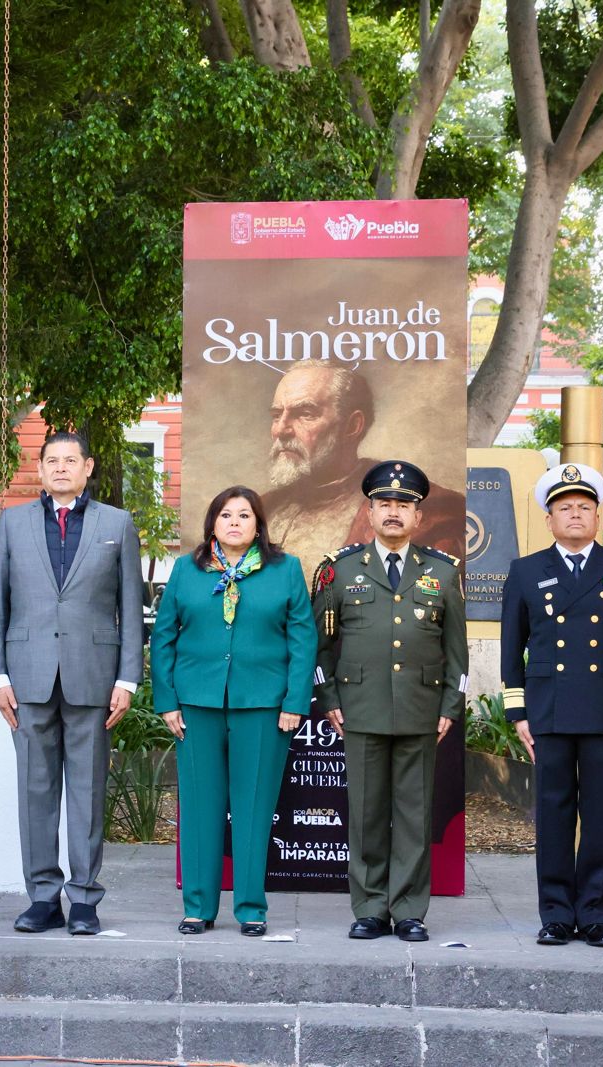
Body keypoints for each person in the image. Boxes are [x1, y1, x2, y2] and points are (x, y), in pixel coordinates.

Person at [0, 431, 143, 936]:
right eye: (51, 460)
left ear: (88, 467)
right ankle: (43, 898)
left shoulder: (116, 523)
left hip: (93, 676)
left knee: (87, 791)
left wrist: (128, 679)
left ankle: (85, 900)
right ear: (40, 467)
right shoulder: (13, 522)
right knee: (35, 791)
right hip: (27, 677)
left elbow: (130, 609)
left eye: (70, 460)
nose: (60, 468)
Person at [501, 463, 603, 948]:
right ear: (549, 518)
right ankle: (555, 915)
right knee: (551, 813)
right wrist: (517, 712)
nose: (574, 515)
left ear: (598, 517)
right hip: (547, 710)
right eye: (564, 508)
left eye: (583, 508)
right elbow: (512, 647)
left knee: (602, 813)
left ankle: (595, 915)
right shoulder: (526, 570)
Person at [312, 460, 466, 943]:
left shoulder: (441, 573)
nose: (394, 512)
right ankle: (371, 907)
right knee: (366, 813)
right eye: (385, 504)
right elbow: (318, 645)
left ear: (418, 516)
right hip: (359, 709)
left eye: (404, 505)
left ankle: (410, 910)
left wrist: (449, 707)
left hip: (422, 711)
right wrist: (329, 696)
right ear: (370, 512)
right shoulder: (338, 571)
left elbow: (456, 653)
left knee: (415, 813)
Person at [152, 486, 315, 937]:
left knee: (253, 808)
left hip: (263, 706)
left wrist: (294, 702)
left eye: (245, 515)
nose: (235, 522)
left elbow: (303, 640)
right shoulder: (187, 570)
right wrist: (166, 700)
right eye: (226, 515)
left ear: (258, 525)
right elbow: (163, 637)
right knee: (200, 807)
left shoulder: (285, 571)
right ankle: (198, 907)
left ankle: (250, 907)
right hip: (196, 705)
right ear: (213, 525)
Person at [263, 362, 464, 571]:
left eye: (305, 414)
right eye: (276, 416)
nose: (280, 429)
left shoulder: (422, 513)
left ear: (352, 426)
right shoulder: (261, 508)